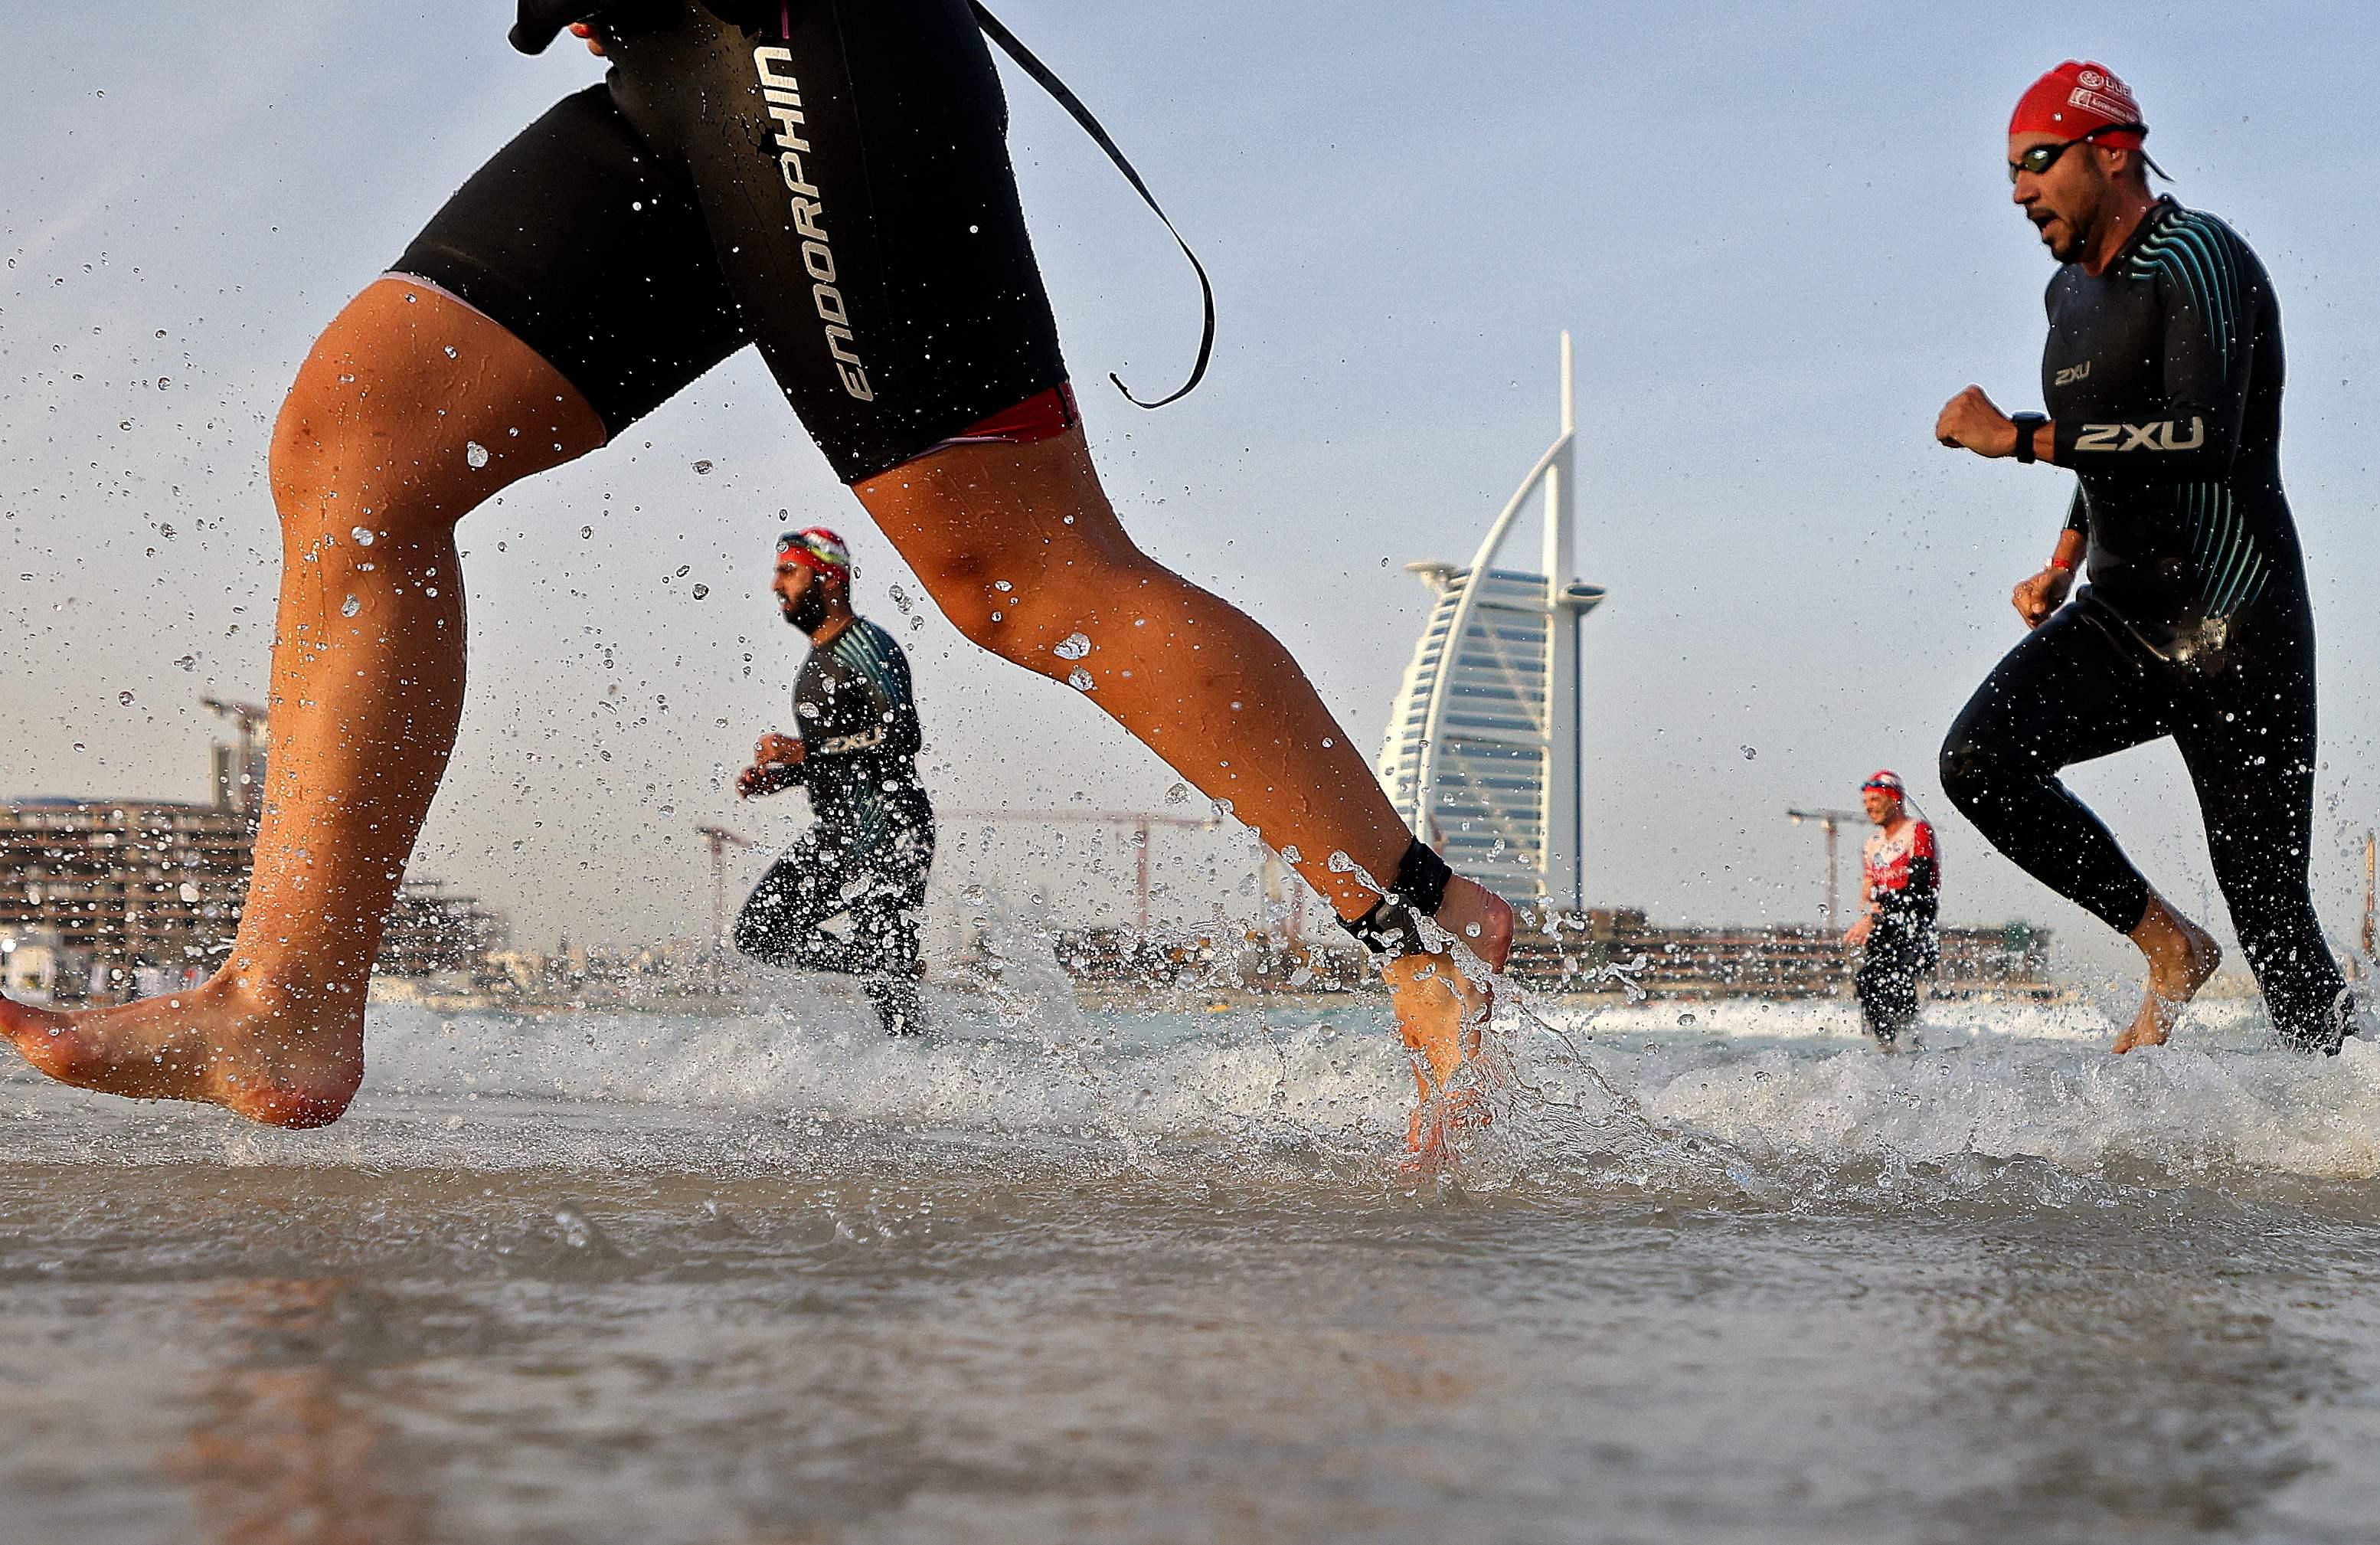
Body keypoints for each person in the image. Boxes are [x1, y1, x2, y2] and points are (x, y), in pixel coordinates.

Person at [2, 2, 1512, 1138]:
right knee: (356, 449)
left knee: (1021, 581)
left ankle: (1423, 919)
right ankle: (283, 1007)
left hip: (801, 38)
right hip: (669, 68)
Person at [1931, 60, 2351, 1056]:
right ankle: (2167, 945)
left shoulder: (2200, 255)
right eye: (2011, 172)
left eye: (2037, 161)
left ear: (2111, 153)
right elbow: (2110, 436)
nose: (2020, 190)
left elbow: (2203, 432)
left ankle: (2363, 1122)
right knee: (1979, 761)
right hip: (2124, 619)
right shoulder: (2063, 298)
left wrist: (2020, 439)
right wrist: (2066, 554)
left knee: (2273, 916)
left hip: (2238, 624)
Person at [732, 529, 935, 1037]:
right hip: (840, 832)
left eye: (788, 571)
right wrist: (785, 778)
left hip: (892, 829)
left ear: (827, 578)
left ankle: (932, 1089)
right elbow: (845, 759)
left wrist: (806, 750)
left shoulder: (865, 645)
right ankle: (883, 962)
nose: (776, 585)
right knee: (760, 931)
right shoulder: (814, 664)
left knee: (893, 1005)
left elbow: (902, 734)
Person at [1842, 771, 1940, 1051]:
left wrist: (1875, 913)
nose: (1868, 807)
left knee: (1882, 979)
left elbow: (1920, 884)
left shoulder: (1918, 831)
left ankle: (1901, 1045)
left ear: (1895, 799)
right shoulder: (1871, 846)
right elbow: (1871, 892)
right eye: (1865, 801)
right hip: (1885, 924)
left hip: (1915, 920)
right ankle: (1894, 1047)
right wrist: (1871, 910)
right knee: (1874, 983)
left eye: (1875, 799)